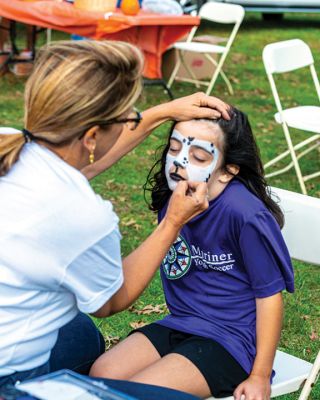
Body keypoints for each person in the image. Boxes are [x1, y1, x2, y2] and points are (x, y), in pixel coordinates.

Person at [0, 38, 230, 398]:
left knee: (82, 337)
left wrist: (159, 113)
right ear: (91, 136)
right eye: (127, 118)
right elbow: (111, 301)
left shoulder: (11, 144)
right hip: (7, 377)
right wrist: (173, 222)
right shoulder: (81, 213)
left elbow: (81, 163)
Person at [90, 107, 295, 400]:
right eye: (174, 149)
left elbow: (269, 297)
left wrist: (260, 375)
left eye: (199, 156)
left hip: (234, 342)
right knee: (102, 374)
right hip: (182, 322)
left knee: (137, 394)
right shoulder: (174, 203)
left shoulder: (245, 215)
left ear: (227, 171)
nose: (179, 162)